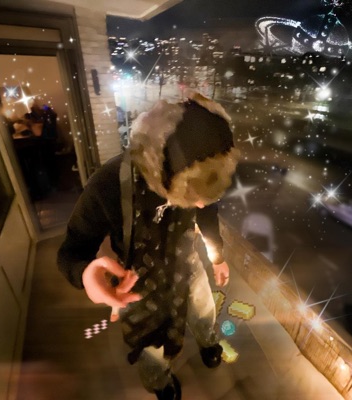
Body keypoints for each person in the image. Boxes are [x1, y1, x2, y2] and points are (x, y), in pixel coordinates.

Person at [57, 91, 240, 400]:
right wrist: (86, 275)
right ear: (164, 171)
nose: (199, 203)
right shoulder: (109, 184)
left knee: (204, 310)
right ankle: (159, 382)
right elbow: (71, 252)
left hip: (187, 261)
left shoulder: (201, 174)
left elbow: (207, 209)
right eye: (192, 194)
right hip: (137, 279)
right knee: (151, 346)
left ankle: (208, 343)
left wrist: (217, 256)